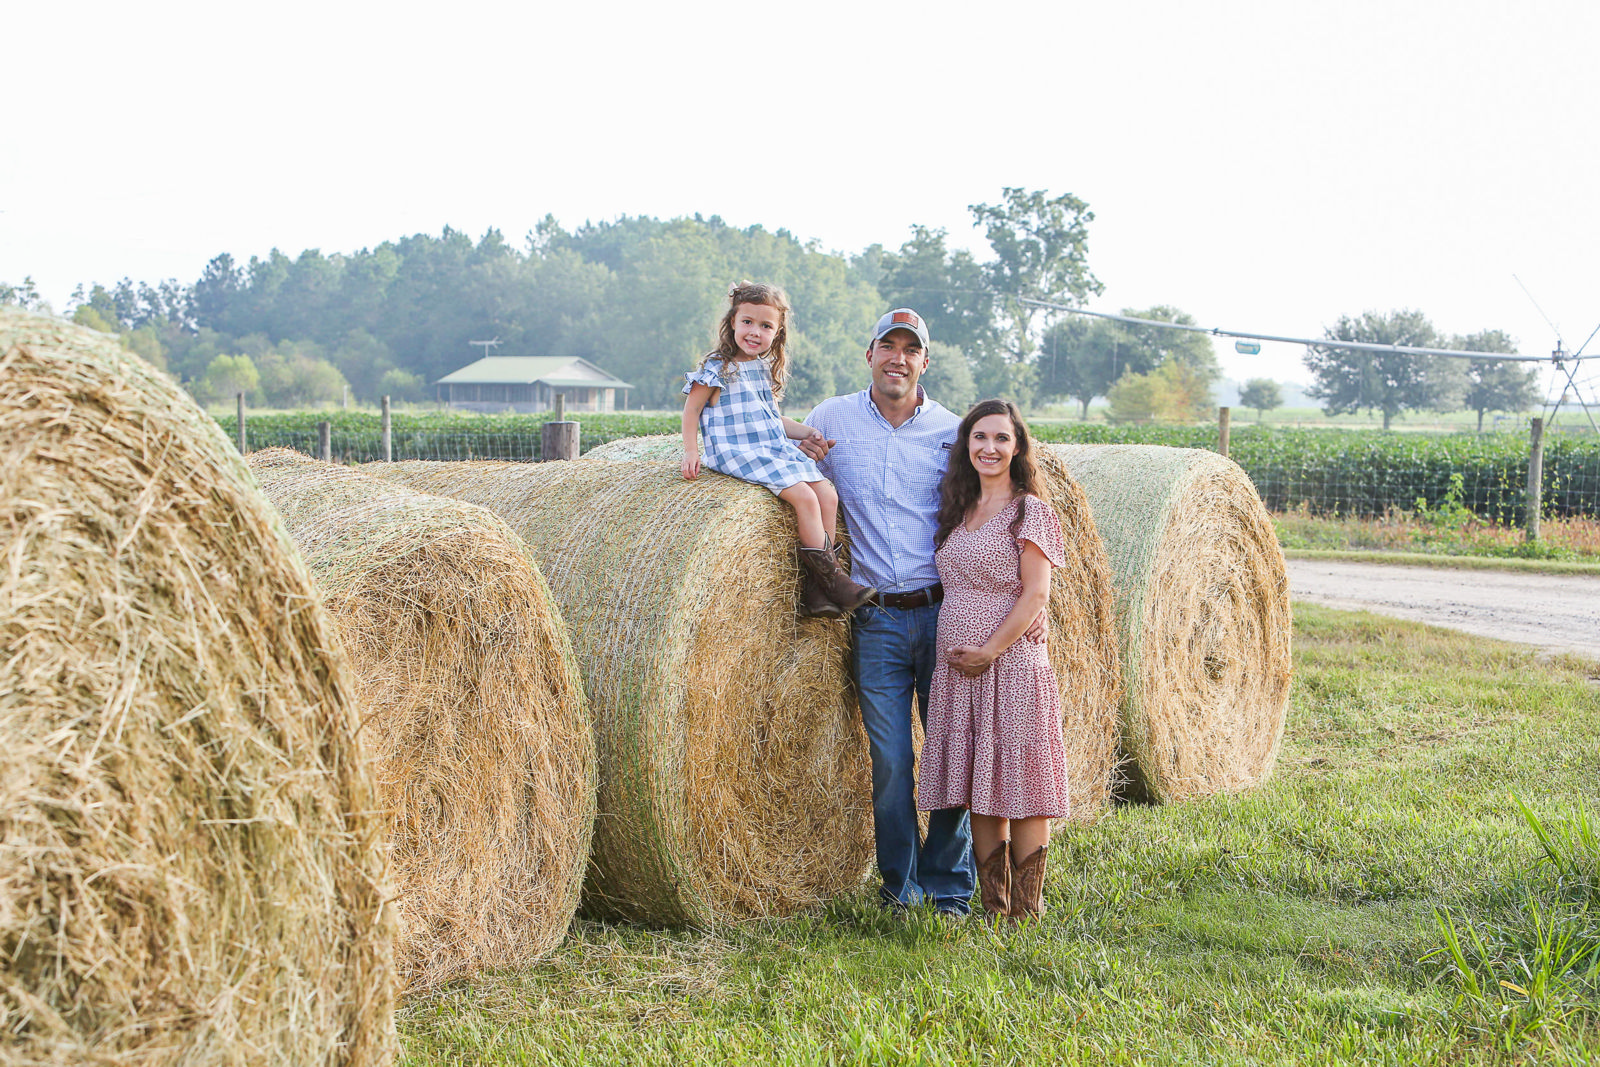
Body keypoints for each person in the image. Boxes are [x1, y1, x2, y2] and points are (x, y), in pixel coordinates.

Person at [803, 308, 976, 916]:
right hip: (875, 619)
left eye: (911, 349)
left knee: (950, 753)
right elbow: (793, 477)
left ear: (925, 362)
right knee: (893, 762)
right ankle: (899, 888)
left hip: (945, 615)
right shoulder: (830, 418)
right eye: (888, 346)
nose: (898, 358)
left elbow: (985, 514)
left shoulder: (955, 433)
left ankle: (949, 884)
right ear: (869, 354)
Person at [916, 398, 1068, 921]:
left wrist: (988, 651)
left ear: (1018, 447)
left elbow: (1036, 595)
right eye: (980, 437)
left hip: (1013, 667)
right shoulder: (961, 509)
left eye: (1002, 438)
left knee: (1022, 785)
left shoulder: (1031, 512)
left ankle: (1025, 911)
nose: (990, 447)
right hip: (961, 675)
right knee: (979, 783)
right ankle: (994, 908)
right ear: (966, 445)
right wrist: (967, 658)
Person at [682, 282, 876, 617]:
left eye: (765, 326)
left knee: (827, 494)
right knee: (803, 496)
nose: (754, 331)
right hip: (738, 450)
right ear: (732, 322)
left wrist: (810, 431)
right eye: (747, 322)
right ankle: (834, 581)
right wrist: (690, 451)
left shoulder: (761, 370)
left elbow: (772, 419)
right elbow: (691, 411)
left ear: (777, 332)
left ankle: (817, 591)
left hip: (770, 448)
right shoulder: (717, 368)